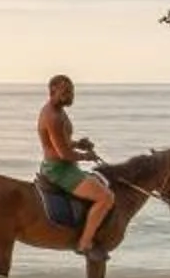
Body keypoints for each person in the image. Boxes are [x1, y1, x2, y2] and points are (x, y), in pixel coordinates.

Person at [37, 74, 116, 258]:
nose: (70, 96)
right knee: (106, 197)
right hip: (60, 170)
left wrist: (78, 144)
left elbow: (61, 141)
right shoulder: (53, 117)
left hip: (65, 166)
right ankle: (84, 243)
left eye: (72, 91)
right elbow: (63, 154)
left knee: (100, 183)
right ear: (52, 91)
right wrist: (87, 156)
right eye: (65, 92)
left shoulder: (58, 110)